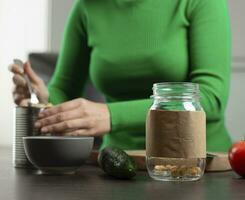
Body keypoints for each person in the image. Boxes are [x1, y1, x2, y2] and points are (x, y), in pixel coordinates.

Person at [9, 0, 232, 152]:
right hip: (116, 164)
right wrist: (42, 98)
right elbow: (64, 89)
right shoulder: (87, 7)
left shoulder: (198, 2)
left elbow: (211, 99)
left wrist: (112, 115)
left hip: (196, 161)